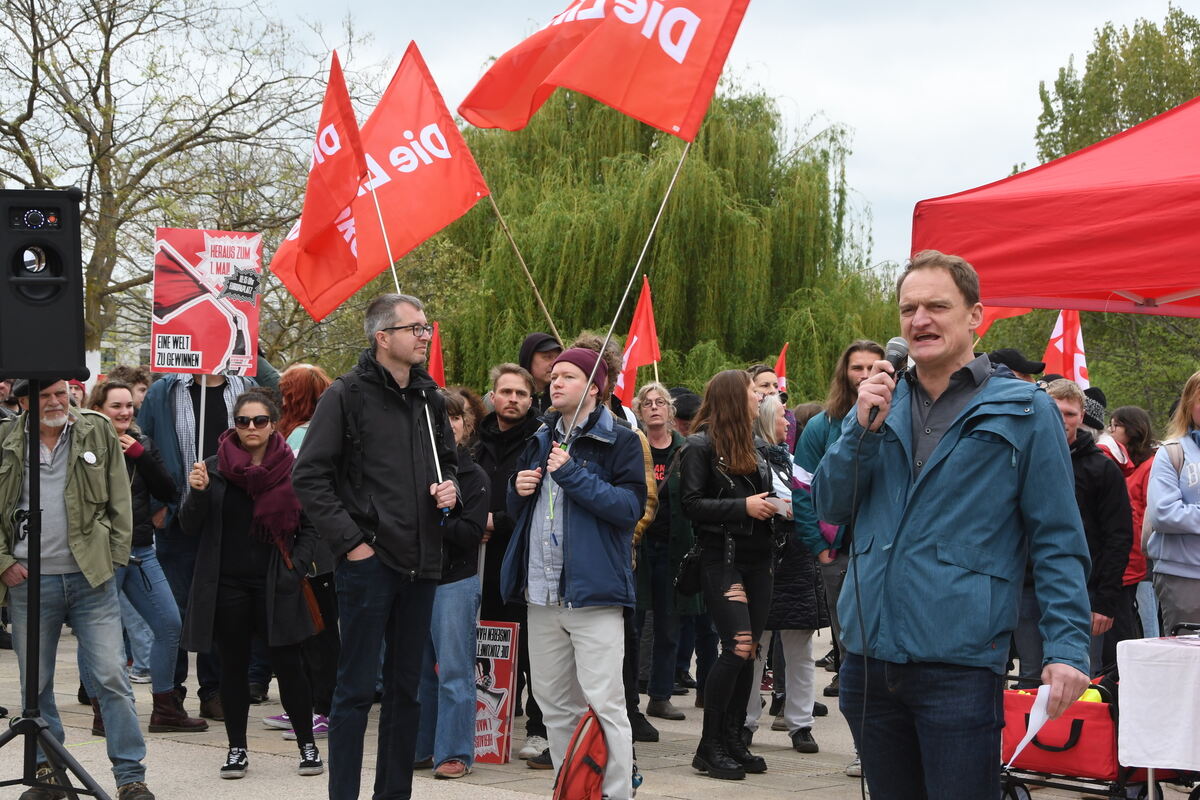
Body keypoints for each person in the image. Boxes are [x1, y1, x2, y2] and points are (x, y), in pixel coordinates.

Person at [811, 250, 1093, 799]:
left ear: (974, 316)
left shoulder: (1024, 409)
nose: (920, 320)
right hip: (868, 658)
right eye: (908, 308)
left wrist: (1067, 648)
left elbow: (1058, 536)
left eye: (937, 306)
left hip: (959, 662)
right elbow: (829, 506)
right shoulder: (878, 403)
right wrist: (857, 432)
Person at [292, 293, 459, 800]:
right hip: (368, 564)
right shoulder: (346, 394)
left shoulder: (431, 397)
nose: (424, 336)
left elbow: (447, 462)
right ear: (382, 337)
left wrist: (448, 486)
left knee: (406, 692)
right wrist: (353, 545)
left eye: (426, 327)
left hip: (423, 562)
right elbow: (309, 477)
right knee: (355, 692)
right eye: (414, 328)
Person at [500, 346, 646, 800]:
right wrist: (516, 489)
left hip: (593, 593)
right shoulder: (541, 436)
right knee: (553, 704)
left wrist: (575, 474)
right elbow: (524, 514)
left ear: (594, 385)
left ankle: (616, 792)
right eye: (553, 376)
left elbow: (629, 509)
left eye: (566, 376)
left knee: (606, 705)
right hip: (541, 593)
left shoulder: (619, 438)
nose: (554, 382)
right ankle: (572, 789)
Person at [0, 380, 155, 800]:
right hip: (30, 580)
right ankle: (47, 774)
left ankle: (131, 778)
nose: (55, 403)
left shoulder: (96, 429)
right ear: (24, 402)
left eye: (60, 393)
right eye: (43, 396)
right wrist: (4, 562)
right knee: (37, 684)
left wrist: (116, 557)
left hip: (91, 576)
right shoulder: (5, 437)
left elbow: (120, 497)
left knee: (110, 676)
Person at [179, 389, 323, 778]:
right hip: (228, 584)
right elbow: (189, 525)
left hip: (278, 581)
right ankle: (237, 748)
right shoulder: (213, 467)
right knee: (233, 668)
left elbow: (312, 526)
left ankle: (307, 745)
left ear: (274, 424)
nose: (251, 428)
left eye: (259, 420)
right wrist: (197, 493)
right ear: (234, 425)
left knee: (290, 666)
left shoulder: (293, 468)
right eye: (243, 421)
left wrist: (296, 569)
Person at [78, 380, 207, 735]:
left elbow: (168, 490)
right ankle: (102, 711)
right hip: (100, 553)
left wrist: (139, 455)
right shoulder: (82, 442)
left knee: (169, 624)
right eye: (115, 406)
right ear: (98, 408)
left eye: (128, 406)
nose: (124, 413)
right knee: (95, 633)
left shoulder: (143, 442)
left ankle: (165, 709)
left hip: (140, 548)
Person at [138, 368, 261, 719]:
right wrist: (156, 507)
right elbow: (143, 445)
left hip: (227, 517)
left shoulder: (245, 386)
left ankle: (215, 690)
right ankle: (170, 694)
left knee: (220, 606)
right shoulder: (165, 391)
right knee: (173, 610)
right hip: (176, 515)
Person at [679, 370, 778, 781]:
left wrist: (779, 508)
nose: (761, 399)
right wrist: (744, 508)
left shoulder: (757, 446)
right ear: (735, 400)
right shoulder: (700, 446)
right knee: (736, 647)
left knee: (751, 652)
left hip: (759, 559)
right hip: (723, 559)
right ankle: (709, 745)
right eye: (754, 393)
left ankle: (733, 737)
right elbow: (690, 504)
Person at [792, 338, 883, 780]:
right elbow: (802, 489)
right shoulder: (821, 427)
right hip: (839, 553)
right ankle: (863, 747)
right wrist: (819, 544)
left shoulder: (899, 416)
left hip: (886, 553)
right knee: (851, 652)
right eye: (856, 367)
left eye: (872, 366)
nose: (864, 375)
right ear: (844, 373)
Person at [472, 363, 548, 762]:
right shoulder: (475, 442)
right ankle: (487, 724)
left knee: (533, 649)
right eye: (506, 392)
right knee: (485, 645)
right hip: (480, 558)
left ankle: (539, 728)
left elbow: (539, 502)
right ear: (493, 395)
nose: (513, 400)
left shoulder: (540, 440)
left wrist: (496, 521)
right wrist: (473, 522)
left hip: (522, 559)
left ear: (531, 399)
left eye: (521, 393)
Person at [744, 394, 827, 754]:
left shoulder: (789, 458)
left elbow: (807, 499)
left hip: (795, 561)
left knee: (800, 650)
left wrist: (795, 507)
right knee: (752, 648)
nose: (787, 423)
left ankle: (800, 723)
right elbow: (763, 501)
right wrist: (790, 507)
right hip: (763, 557)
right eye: (781, 416)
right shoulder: (751, 458)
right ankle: (745, 721)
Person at [415, 390, 488, 779]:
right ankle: (422, 748)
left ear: (465, 424)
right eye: (439, 418)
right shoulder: (412, 468)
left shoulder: (473, 475)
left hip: (454, 582)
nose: (447, 425)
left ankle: (456, 752)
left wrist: (440, 514)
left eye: (454, 418)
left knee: (455, 672)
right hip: (414, 578)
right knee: (418, 672)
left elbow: (470, 532)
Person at [1036, 379, 1131, 675]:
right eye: (1054, 410)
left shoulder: (1102, 469)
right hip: (1027, 591)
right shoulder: (1021, 459)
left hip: (1084, 593)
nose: (1062, 420)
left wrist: (1105, 600)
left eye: (1070, 413)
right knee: (1028, 678)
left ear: (1082, 417)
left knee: (1080, 677)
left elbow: (1119, 537)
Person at [263, 363, 337, 741]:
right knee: (305, 631)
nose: (279, 396)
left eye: (285, 390)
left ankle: (323, 708)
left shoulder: (305, 435)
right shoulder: (293, 431)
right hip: (300, 544)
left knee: (320, 631)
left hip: (316, 547)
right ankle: (304, 705)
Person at [634, 382, 700, 724]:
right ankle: (628, 696)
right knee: (631, 625)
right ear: (639, 410)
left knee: (669, 624)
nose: (655, 407)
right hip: (638, 548)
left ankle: (660, 695)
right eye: (648, 403)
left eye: (661, 402)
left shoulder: (686, 449)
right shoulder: (633, 446)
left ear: (671, 411)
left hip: (674, 550)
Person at [1146, 369, 1200, 634]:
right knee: (1188, 666)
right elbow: (1163, 513)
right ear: (1189, 405)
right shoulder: (1172, 453)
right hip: (1185, 577)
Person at [1103, 406, 1158, 652]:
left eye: (1115, 425)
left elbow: (1150, 510)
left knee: (1145, 618)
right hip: (1125, 552)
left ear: (1132, 428)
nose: (1110, 431)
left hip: (1141, 554)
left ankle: (1150, 656)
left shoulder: (1151, 466)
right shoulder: (1123, 462)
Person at [518, 332, 562, 415]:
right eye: (547, 357)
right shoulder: (508, 397)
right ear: (528, 359)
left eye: (557, 358)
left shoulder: (563, 397)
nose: (554, 363)